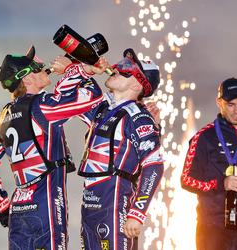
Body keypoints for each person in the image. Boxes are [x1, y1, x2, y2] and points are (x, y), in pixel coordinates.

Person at [0, 45, 106, 250]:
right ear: (26, 79)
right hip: (45, 206)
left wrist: (2, 205)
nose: (43, 68)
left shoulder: (2, 117)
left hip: (19, 209)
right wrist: (75, 70)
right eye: (36, 68)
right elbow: (91, 97)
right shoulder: (41, 105)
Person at [67, 48, 164, 249]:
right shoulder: (102, 109)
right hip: (90, 205)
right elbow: (67, 91)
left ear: (139, 83)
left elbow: (154, 164)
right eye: (121, 63)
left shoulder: (138, 116)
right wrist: (84, 69)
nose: (118, 67)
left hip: (115, 205)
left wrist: (137, 213)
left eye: (127, 67)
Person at [181, 78, 237, 250]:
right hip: (213, 230)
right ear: (219, 102)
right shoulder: (203, 137)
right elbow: (186, 180)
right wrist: (221, 183)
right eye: (231, 104)